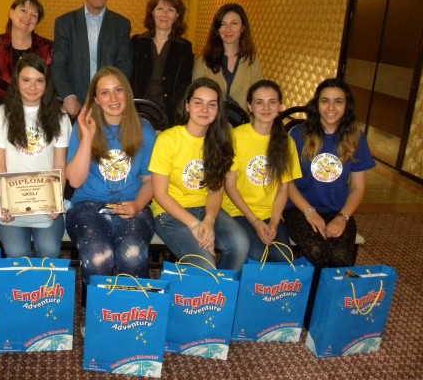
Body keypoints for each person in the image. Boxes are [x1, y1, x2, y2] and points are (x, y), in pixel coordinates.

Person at [66, 67, 156, 302]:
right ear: (96, 99)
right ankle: (99, 315)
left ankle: (132, 313)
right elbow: (75, 180)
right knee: (98, 256)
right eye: (104, 93)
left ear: (127, 92)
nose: (113, 98)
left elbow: (150, 182)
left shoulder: (144, 130)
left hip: (133, 204)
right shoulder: (82, 128)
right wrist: (88, 137)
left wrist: (137, 205)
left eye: (118, 90)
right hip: (87, 205)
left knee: (132, 254)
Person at [149, 78, 249, 269]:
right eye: (198, 103)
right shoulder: (168, 139)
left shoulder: (221, 141)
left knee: (240, 244)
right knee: (205, 264)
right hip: (170, 213)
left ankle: (222, 286)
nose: (205, 109)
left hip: (206, 209)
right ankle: (209, 286)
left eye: (212, 104)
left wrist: (209, 221)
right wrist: (195, 224)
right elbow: (160, 194)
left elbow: (216, 190)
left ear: (218, 110)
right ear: (187, 106)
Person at [0, 53, 72, 258]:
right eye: (26, 80)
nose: (33, 87)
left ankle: (45, 283)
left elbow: (59, 164)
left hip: (47, 196)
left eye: (39, 81)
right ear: (16, 81)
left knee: (49, 249)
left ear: (47, 84)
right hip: (8, 196)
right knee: (17, 251)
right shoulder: (0, 115)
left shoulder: (60, 116)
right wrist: (6, 202)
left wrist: (56, 200)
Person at [284, 78, 375, 267]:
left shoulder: (356, 138)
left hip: (338, 210)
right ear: (316, 104)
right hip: (299, 209)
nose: (331, 107)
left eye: (338, 101)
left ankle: (329, 288)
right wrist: (309, 212)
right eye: (325, 101)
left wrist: (342, 218)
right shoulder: (298, 135)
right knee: (317, 250)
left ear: (346, 106)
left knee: (339, 257)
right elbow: (287, 182)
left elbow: (358, 187)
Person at [222, 80, 302, 262]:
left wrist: (274, 222)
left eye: (272, 102)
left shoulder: (286, 142)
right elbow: (230, 186)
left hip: (270, 212)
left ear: (280, 106)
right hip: (238, 210)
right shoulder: (235, 137)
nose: (266, 108)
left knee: (283, 256)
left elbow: (283, 188)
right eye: (259, 102)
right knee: (258, 254)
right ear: (250, 106)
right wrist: (255, 222)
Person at [52, 0, 133, 118]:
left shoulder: (122, 24)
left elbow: (124, 65)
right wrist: (68, 96)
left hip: (109, 106)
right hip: (74, 106)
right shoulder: (64, 23)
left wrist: (112, 97)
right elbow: (59, 64)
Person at [131, 0, 194, 127]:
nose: (164, 14)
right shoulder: (136, 43)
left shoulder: (185, 48)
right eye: (160, 9)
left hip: (170, 115)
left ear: (177, 15)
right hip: (137, 112)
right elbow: (129, 79)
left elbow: (184, 85)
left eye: (170, 10)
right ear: (152, 12)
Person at [0, 0, 53, 104]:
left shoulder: (47, 47)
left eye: (34, 15)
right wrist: (12, 104)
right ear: (11, 13)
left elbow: (51, 83)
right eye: (23, 10)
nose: (28, 17)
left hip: (37, 107)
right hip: (0, 107)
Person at [193, 3, 262, 112]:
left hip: (244, 121)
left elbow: (258, 98)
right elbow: (196, 99)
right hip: (210, 121)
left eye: (234, 23)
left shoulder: (252, 62)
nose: (228, 29)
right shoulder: (203, 62)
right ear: (217, 29)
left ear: (243, 27)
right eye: (223, 24)